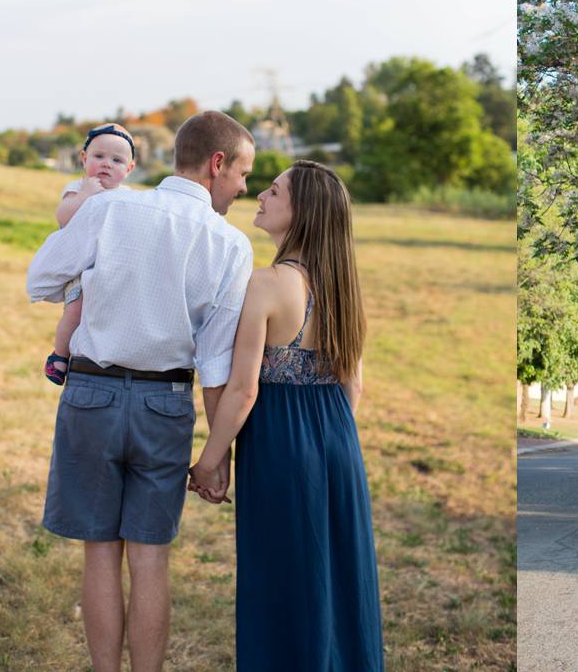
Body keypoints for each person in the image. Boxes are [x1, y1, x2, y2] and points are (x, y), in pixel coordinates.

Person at [26, 111, 256, 672]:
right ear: (216, 164)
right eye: (243, 174)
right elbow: (217, 365)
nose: (245, 187)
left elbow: (41, 281)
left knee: (100, 554)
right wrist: (216, 456)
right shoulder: (230, 244)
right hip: (164, 405)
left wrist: (95, 289)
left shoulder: (108, 207)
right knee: (151, 560)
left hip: (91, 397)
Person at [188, 160, 383, 671]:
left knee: (282, 579)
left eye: (274, 192)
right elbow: (353, 382)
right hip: (338, 438)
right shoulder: (343, 287)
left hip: (280, 442)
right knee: (336, 578)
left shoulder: (268, 283)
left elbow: (244, 388)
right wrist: (328, 437)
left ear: (301, 214)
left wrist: (210, 461)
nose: (260, 196)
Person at [44, 123, 137, 385]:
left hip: (112, 267)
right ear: (84, 159)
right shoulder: (78, 187)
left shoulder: (129, 197)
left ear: (129, 169)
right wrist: (85, 195)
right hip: (81, 268)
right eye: (99, 157)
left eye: (117, 160)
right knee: (75, 311)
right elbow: (63, 217)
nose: (106, 164)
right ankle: (59, 356)